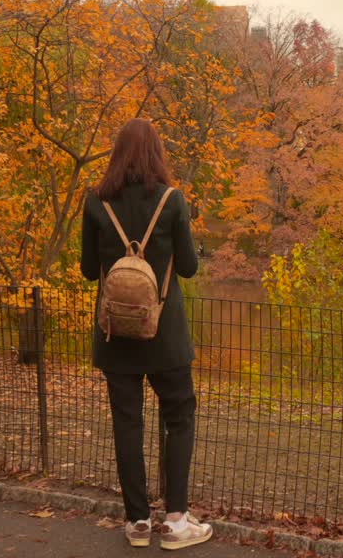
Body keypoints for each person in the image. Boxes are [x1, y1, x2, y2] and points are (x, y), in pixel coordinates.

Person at [80, 118, 210, 550]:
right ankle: (175, 520)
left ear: (116, 154)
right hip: (165, 334)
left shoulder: (95, 201)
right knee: (179, 416)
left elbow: (85, 271)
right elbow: (188, 268)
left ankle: (137, 521)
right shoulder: (173, 201)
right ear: (157, 153)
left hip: (115, 334)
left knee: (127, 424)